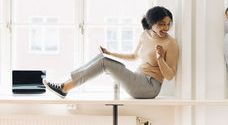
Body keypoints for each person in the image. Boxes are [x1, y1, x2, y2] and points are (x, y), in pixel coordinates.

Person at [43, 6, 179, 99]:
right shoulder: (145, 35)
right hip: (138, 78)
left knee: (104, 63)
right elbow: (134, 57)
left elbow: (170, 76)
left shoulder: (170, 43)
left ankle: (64, 88)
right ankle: (64, 85)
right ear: (152, 23)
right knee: (103, 58)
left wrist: (160, 59)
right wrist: (110, 53)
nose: (166, 28)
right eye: (162, 24)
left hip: (150, 87)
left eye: (168, 24)